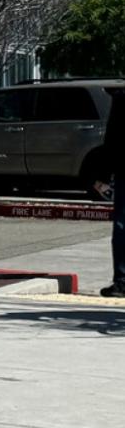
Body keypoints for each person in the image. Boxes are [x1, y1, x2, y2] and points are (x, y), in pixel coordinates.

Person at [96, 88, 124, 298]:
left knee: (123, 226)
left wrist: (103, 176)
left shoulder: (121, 99)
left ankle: (122, 281)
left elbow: (112, 138)